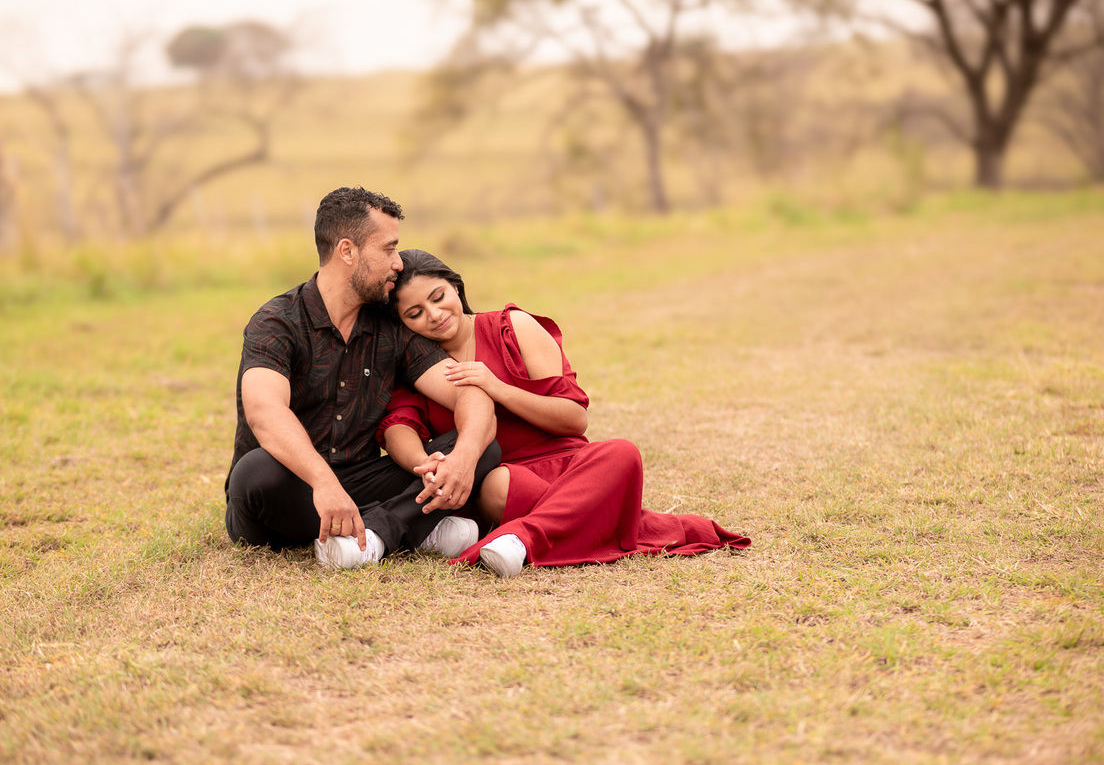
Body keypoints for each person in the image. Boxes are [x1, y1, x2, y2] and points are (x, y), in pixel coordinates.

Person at [378, 249, 751, 578]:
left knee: (622, 452)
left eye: (438, 297)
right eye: (415, 313)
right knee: (495, 486)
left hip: (574, 469)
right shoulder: (417, 366)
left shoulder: (513, 328)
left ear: (455, 287)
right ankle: (584, 523)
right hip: (508, 482)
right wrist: (423, 464)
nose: (434, 314)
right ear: (403, 324)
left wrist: (500, 389)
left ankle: (522, 538)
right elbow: (399, 425)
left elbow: (574, 419)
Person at [225, 188, 500, 569]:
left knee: (482, 441)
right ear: (348, 251)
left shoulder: (390, 325)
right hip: (290, 487)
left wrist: (465, 458)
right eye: (388, 249)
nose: (398, 263)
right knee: (256, 472)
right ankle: (415, 526)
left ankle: (375, 535)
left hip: (361, 480)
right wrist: (323, 482)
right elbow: (264, 412)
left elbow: (470, 392)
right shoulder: (277, 322)